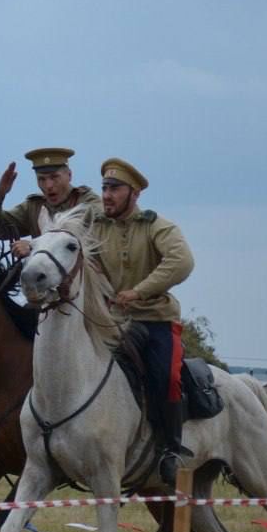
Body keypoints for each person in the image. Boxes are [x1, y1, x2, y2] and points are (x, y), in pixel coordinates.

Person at [90, 158, 195, 486]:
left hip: (154, 321)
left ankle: (171, 448)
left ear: (133, 193)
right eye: (104, 188)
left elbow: (182, 262)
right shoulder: (94, 225)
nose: (107, 195)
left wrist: (138, 291)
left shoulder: (156, 226)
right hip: (111, 322)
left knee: (167, 376)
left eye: (114, 189)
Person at [0, 147, 102, 258]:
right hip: (43, 280)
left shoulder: (87, 202)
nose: (48, 185)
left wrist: (34, 247)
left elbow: (97, 239)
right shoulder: (34, 207)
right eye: (41, 179)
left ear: (69, 175)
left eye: (54, 177)